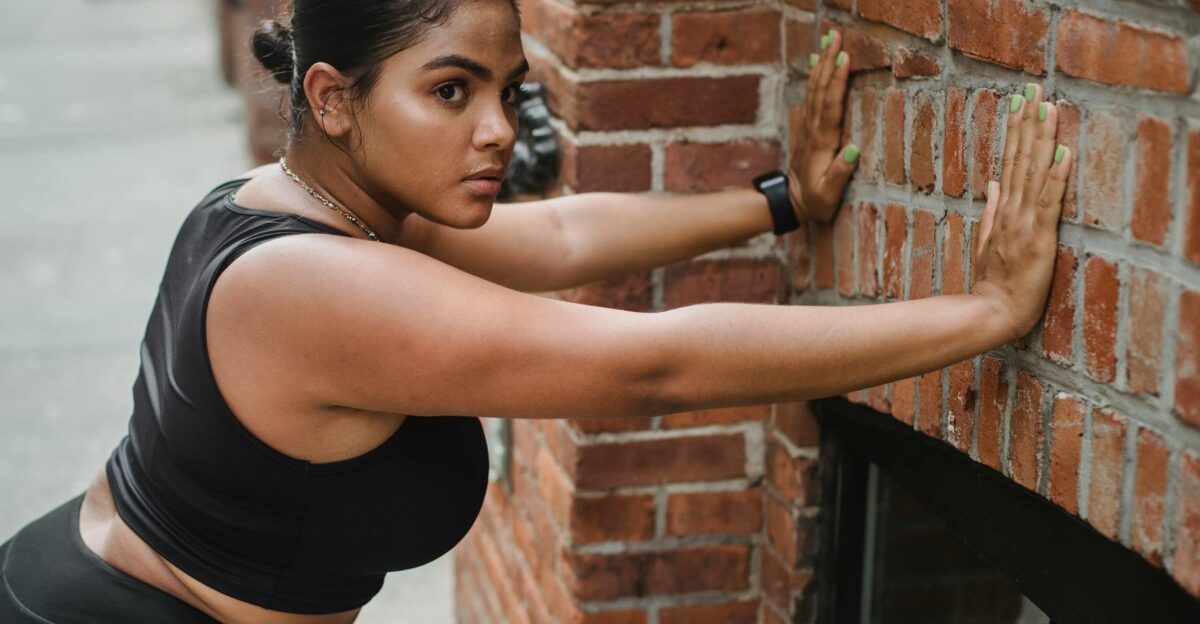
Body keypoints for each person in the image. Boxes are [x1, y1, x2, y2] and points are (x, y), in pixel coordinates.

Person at [0, 0, 1072, 621]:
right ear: (331, 96)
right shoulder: (316, 285)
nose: (499, 130)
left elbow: (558, 237)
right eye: (451, 90)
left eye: (507, 90)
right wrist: (983, 312)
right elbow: (652, 367)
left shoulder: (303, 204)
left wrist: (782, 203)